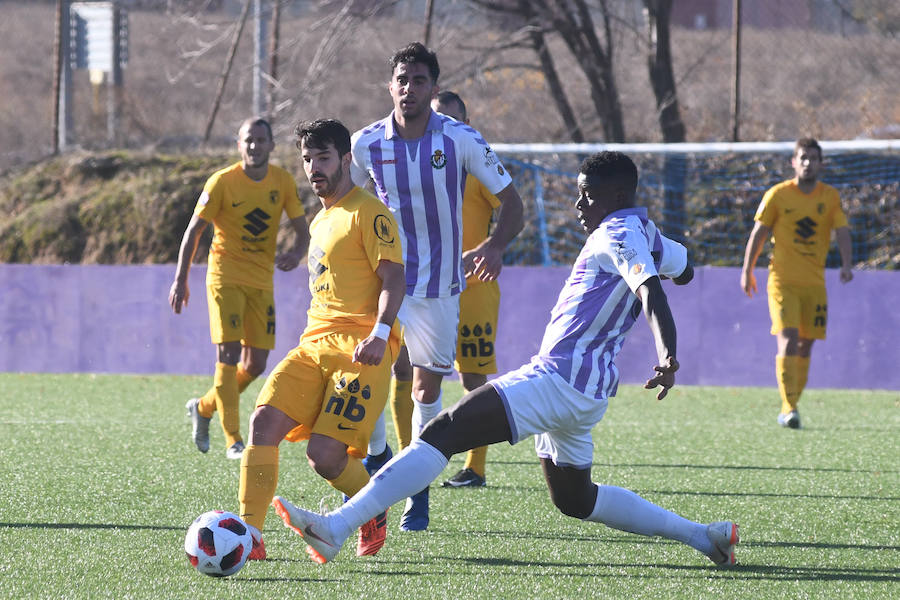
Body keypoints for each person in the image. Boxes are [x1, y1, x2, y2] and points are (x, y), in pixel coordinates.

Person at [271, 151, 740, 568]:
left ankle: (337, 528)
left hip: (559, 378)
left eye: (587, 196)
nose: (579, 206)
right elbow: (682, 267)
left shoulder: (618, 233)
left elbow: (651, 290)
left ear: (616, 195)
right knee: (575, 499)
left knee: (441, 431)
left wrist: (668, 353)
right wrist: (676, 269)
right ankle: (705, 537)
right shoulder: (645, 232)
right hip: (587, 390)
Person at [348, 42, 525, 530]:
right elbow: (344, 206)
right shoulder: (365, 144)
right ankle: (382, 460)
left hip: (443, 289)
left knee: (427, 390)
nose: (409, 88)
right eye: (401, 79)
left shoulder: (460, 139)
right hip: (387, 282)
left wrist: (492, 246)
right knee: (372, 375)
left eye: (419, 80)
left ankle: (416, 489)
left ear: (434, 87)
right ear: (390, 85)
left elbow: (513, 204)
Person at [237, 119, 406, 561]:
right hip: (313, 344)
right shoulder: (319, 219)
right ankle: (250, 538)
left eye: (323, 158)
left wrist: (380, 333)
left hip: (360, 349)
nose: (314, 168)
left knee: (325, 457)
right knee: (262, 424)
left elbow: (394, 278)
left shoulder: (369, 212)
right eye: (307, 159)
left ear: (347, 158)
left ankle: (372, 510)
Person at [169, 117, 309, 459]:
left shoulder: (283, 182)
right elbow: (194, 232)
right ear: (238, 144)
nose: (254, 146)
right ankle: (233, 439)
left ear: (271, 145)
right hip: (224, 277)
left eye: (261, 140)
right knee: (228, 354)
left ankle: (203, 408)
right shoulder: (222, 182)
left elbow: (303, 230)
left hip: (261, 281)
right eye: (248, 140)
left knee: (257, 363)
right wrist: (180, 278)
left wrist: (296, 253)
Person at [382, 91, 502, 489]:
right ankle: (407, 456)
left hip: (473, 288)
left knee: (473, 377)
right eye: (437, 119)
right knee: (404, 369)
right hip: (419, 285)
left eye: (452, 120)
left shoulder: (478, 166)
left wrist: (493, 246)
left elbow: (512, 208)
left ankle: (476, 467)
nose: (442, 128)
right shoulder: (406, 166)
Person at [740, 138, 853, 429]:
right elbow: (759, 232)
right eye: (802, 157)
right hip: (782, 281)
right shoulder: (778, 195)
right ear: (793, 162)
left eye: (813, 158)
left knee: (806, 345)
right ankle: (789, 407)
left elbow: (842, 231)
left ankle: (793, 405)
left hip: (814, 284)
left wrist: (846, 263)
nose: (807, 163)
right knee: (788, 338)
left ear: (820, 163)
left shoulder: (830, 197)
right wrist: (747, 270)